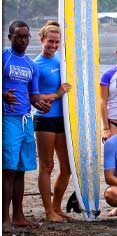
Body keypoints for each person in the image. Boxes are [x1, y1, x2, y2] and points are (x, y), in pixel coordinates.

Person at [2, 21, 48, 228]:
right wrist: (3, 95)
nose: (23, 40)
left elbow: (33, 95)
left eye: (26, 36)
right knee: (8, 169)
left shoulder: (31, 66)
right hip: (7, 119)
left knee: (21, 169)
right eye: (19, 36)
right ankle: (4, 218)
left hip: (25, 120)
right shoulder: (4, 57)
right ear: (10, 37)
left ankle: (19, 215)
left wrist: (41, 104)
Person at [33, 21, 73, 222]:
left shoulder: (62, 60)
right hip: (45, 120)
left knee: (67, 167)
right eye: (50, 41)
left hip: (63, 120)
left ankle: (57, 207)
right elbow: (36, 97)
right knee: (47, 166)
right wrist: (57, 94)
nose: (53, 46)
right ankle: (49, 212)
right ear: (41, 40)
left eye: (57, 42)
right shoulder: (36, 65)